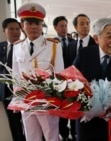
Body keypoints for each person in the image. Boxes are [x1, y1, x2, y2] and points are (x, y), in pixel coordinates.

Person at [12, 3, 64, 141]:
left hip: (46, 100)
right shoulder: (17, 47)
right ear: (22, 25)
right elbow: (15, 75)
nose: (34, 27)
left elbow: (59, 73)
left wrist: (58, 100)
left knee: (51, 135)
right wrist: (17, 99)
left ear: (42, 25)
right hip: (26, 100)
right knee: (31, 136)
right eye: (29, 23)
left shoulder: (53, 45)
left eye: (37, 23)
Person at [73, 18, 111, 141]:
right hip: (86, 119)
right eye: (109, 37)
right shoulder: (84, 54)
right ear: (96, 38)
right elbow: (73, 80)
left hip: (110, 119)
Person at [0, 18, 26, 141]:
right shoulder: (1, 48)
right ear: (4, 30)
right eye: (11, 29)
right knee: (14, 123)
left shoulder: (26, 47)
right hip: (6, 92)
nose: (15, 32)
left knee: (29, 121)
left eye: (17, 29)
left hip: (26, 92)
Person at [53, 15, 76, 141]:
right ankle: (64, 134)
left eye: (66, 25)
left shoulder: (74, 43)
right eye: (61, 26)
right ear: (55, 27)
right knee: (62, 109)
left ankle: (74, 132)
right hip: (59, 82)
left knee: (73, 107)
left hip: (73, 82)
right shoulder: (51, 43)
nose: (64, 28)